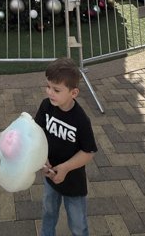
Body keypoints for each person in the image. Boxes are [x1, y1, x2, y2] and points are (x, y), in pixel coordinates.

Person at [35, 57, 97, 236]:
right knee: (48, 213)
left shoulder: (81, 120)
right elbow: (36, 133)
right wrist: (42, 159)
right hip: (50, 177)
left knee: (77, 223)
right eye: (48, 87)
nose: (50, 93)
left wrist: (65, 168)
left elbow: (88, 152)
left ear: (73, 92)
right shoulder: (46, 106)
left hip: (74, 183)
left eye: (56, 89)